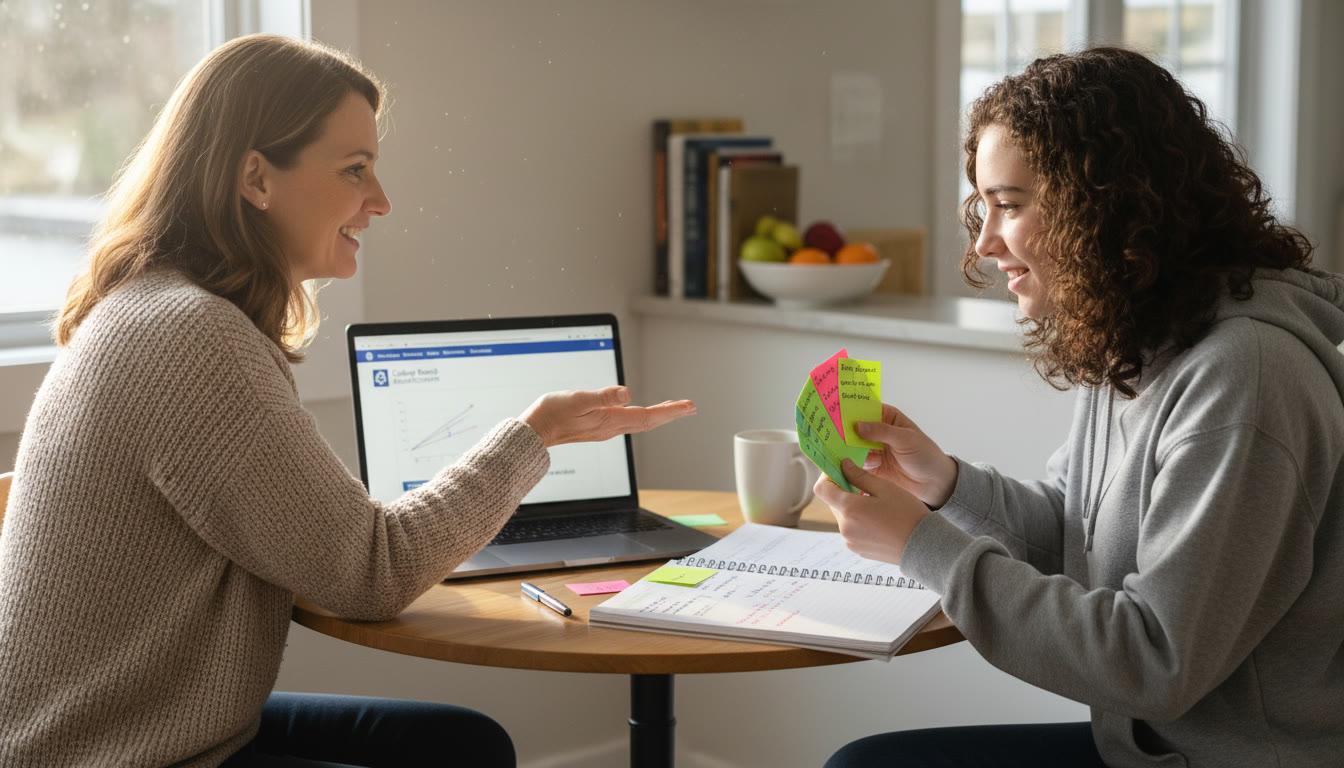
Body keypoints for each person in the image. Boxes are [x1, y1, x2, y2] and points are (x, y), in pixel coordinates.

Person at [0, 34, 695, 768]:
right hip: (109, 754)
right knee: (464, 753)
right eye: (354, 170)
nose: (382, 201)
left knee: (461, 745)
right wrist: (536, 434)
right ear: (256, 179)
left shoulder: (157, 307)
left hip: (145, 726)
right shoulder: (189, 336)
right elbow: (372, 574)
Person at [819, 47, 1344, 768]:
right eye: (984, 206)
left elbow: (1154, 660)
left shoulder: (1245, 378)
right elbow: (1078, 535)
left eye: (1009, 205)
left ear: (1105, 201)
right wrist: (942, 485)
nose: (985, 242)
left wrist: (921, 545)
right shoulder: (1143, 329)